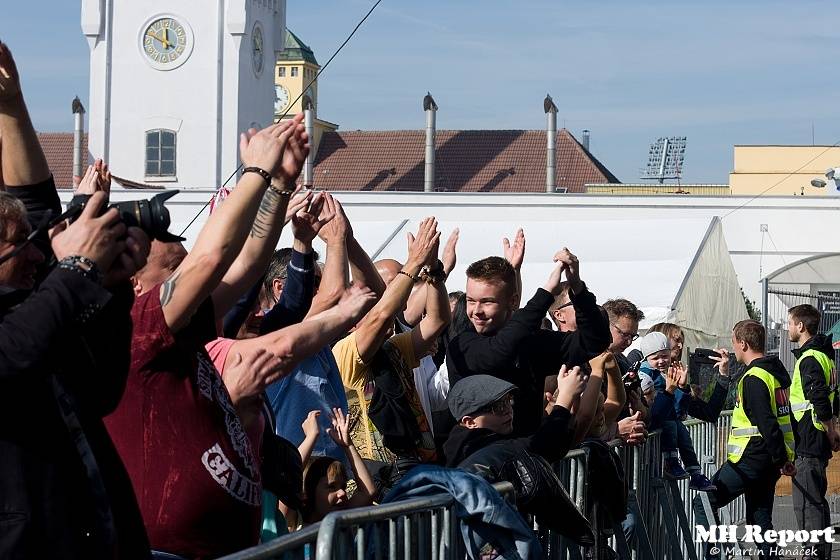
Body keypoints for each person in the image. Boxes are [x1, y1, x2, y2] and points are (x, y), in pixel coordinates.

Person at [105, 116, 313, 558]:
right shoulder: (137, 327)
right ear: (138, 286)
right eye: (172, 268)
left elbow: (247, 263)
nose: (189, 274)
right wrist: (255, 174)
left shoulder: (179, 326)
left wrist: (278, 186)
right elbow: (210, 258)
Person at [0, 42, 152, 559]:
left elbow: (100, 390)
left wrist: (108, 290)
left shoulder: (36, 308)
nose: (37, 256)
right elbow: (10, 355)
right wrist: (76, 270)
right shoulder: (25, 321)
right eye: (17, 248)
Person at [446, 245, 611, 436]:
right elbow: (498, 353)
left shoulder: (532, 342)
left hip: (525, 458)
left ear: (513, 302)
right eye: (471, 301)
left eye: (487, 302)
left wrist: (578, 288)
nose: (476, 311)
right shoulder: (462, 345)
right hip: (477, 462)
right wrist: (546, 293)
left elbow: (594, 341)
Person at [333, 217, 450, 486]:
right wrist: (414, 263)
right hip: (374, 485)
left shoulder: (394, 348)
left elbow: (437, 321)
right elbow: (382, 317)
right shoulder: (345, 351)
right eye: (371, 305)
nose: (387, 304)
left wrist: (433, 271)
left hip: (412, 472)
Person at [693, 320, 796, 559]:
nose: (733, 348)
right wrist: (783, 458)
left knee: (705, 502)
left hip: (751, 459)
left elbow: (767, 423)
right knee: (759, 519)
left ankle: (715, 555)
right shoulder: (774, 374)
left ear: (743, 343)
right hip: (768, 460)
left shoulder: (754, 378)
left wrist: (781, 459)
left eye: (734, 342)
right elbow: (783, 418)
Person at [787, 304, 839, 560]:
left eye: (790, 323)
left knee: (808, 504)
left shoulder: (809, 358)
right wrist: (832, 429)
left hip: (808, 437)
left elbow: (819, 397)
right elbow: (833, 398)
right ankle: (820, 553)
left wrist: (830, 431)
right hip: (816, 436)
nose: (788, 328)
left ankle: (813, 554)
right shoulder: (824, 356)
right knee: (816, 502)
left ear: (801, 326)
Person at [282, 408, 376, 529]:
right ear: (305, 492)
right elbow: (286, 483)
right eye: (331, 487)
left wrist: (348, 446)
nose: (342, 493)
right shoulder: (294, 522)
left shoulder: (342, 517)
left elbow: (367, 493)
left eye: (343, 487)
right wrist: (311, 437)